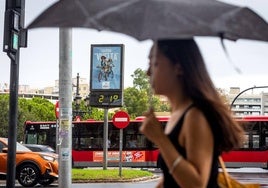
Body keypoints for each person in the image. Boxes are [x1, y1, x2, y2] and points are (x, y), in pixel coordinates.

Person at [139, 39, 244, 188]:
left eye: (154, 64)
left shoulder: (195, 116)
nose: (148, 72)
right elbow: (173, 178)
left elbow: (196, 184)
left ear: (179, 68)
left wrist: (160, 139)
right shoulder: (177, 114)